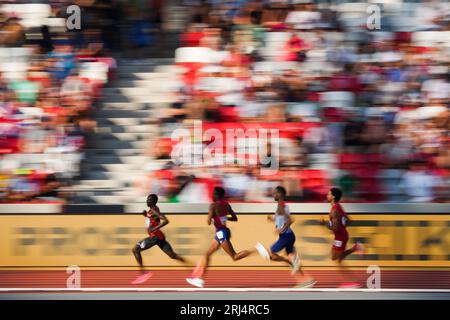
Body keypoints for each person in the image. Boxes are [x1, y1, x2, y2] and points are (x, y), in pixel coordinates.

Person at [185, 186, 255, 288]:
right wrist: (223, 217)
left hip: (221, 233)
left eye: (213, 193)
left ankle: (256, 249)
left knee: (234, 257)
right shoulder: (226, 204)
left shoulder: (213, 206)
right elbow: (235, 218)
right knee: (207, 254)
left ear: (217, 195)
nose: (212, 195)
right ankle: (199, 279)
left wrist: (212, 216)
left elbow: (208, 222)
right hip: (222, 232)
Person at [255, 186, 316, 287]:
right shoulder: (281, 205)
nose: (273, 195)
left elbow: (291, 220)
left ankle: (289, 261)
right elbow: (280, 218)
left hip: (286, 236)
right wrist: (272, 218)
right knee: (293, 261)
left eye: (275, 193)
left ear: (280, 194)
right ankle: (307, 280)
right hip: (288, 236)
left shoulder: (281, 205)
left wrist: (282, 229)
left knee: (270, 255)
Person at [131, 194, 186, 284]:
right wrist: (146, 215)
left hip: (154, 237)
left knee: (135, 250)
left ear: (154, 202)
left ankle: (143, 274)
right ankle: (192, 266)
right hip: (159, 237)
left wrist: (154, 228)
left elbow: (165, 220)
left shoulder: (154, 210)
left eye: (150, 200)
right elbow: (153, 218)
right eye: (147, 199)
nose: (147, 201)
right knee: (172, 255)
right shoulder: (152, 210)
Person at [321, 187, 363, 288]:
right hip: (341, 236)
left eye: (328, 194)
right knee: (334, 257)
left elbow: (335, 228)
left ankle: (352, 282)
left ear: (333, 197)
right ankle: (355, 248)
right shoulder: (338, 206)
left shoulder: (334, 210)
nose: (327, 196)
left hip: (340, 237)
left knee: (339, 261)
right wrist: (342, 228)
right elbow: (349, 220)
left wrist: (325, 224)